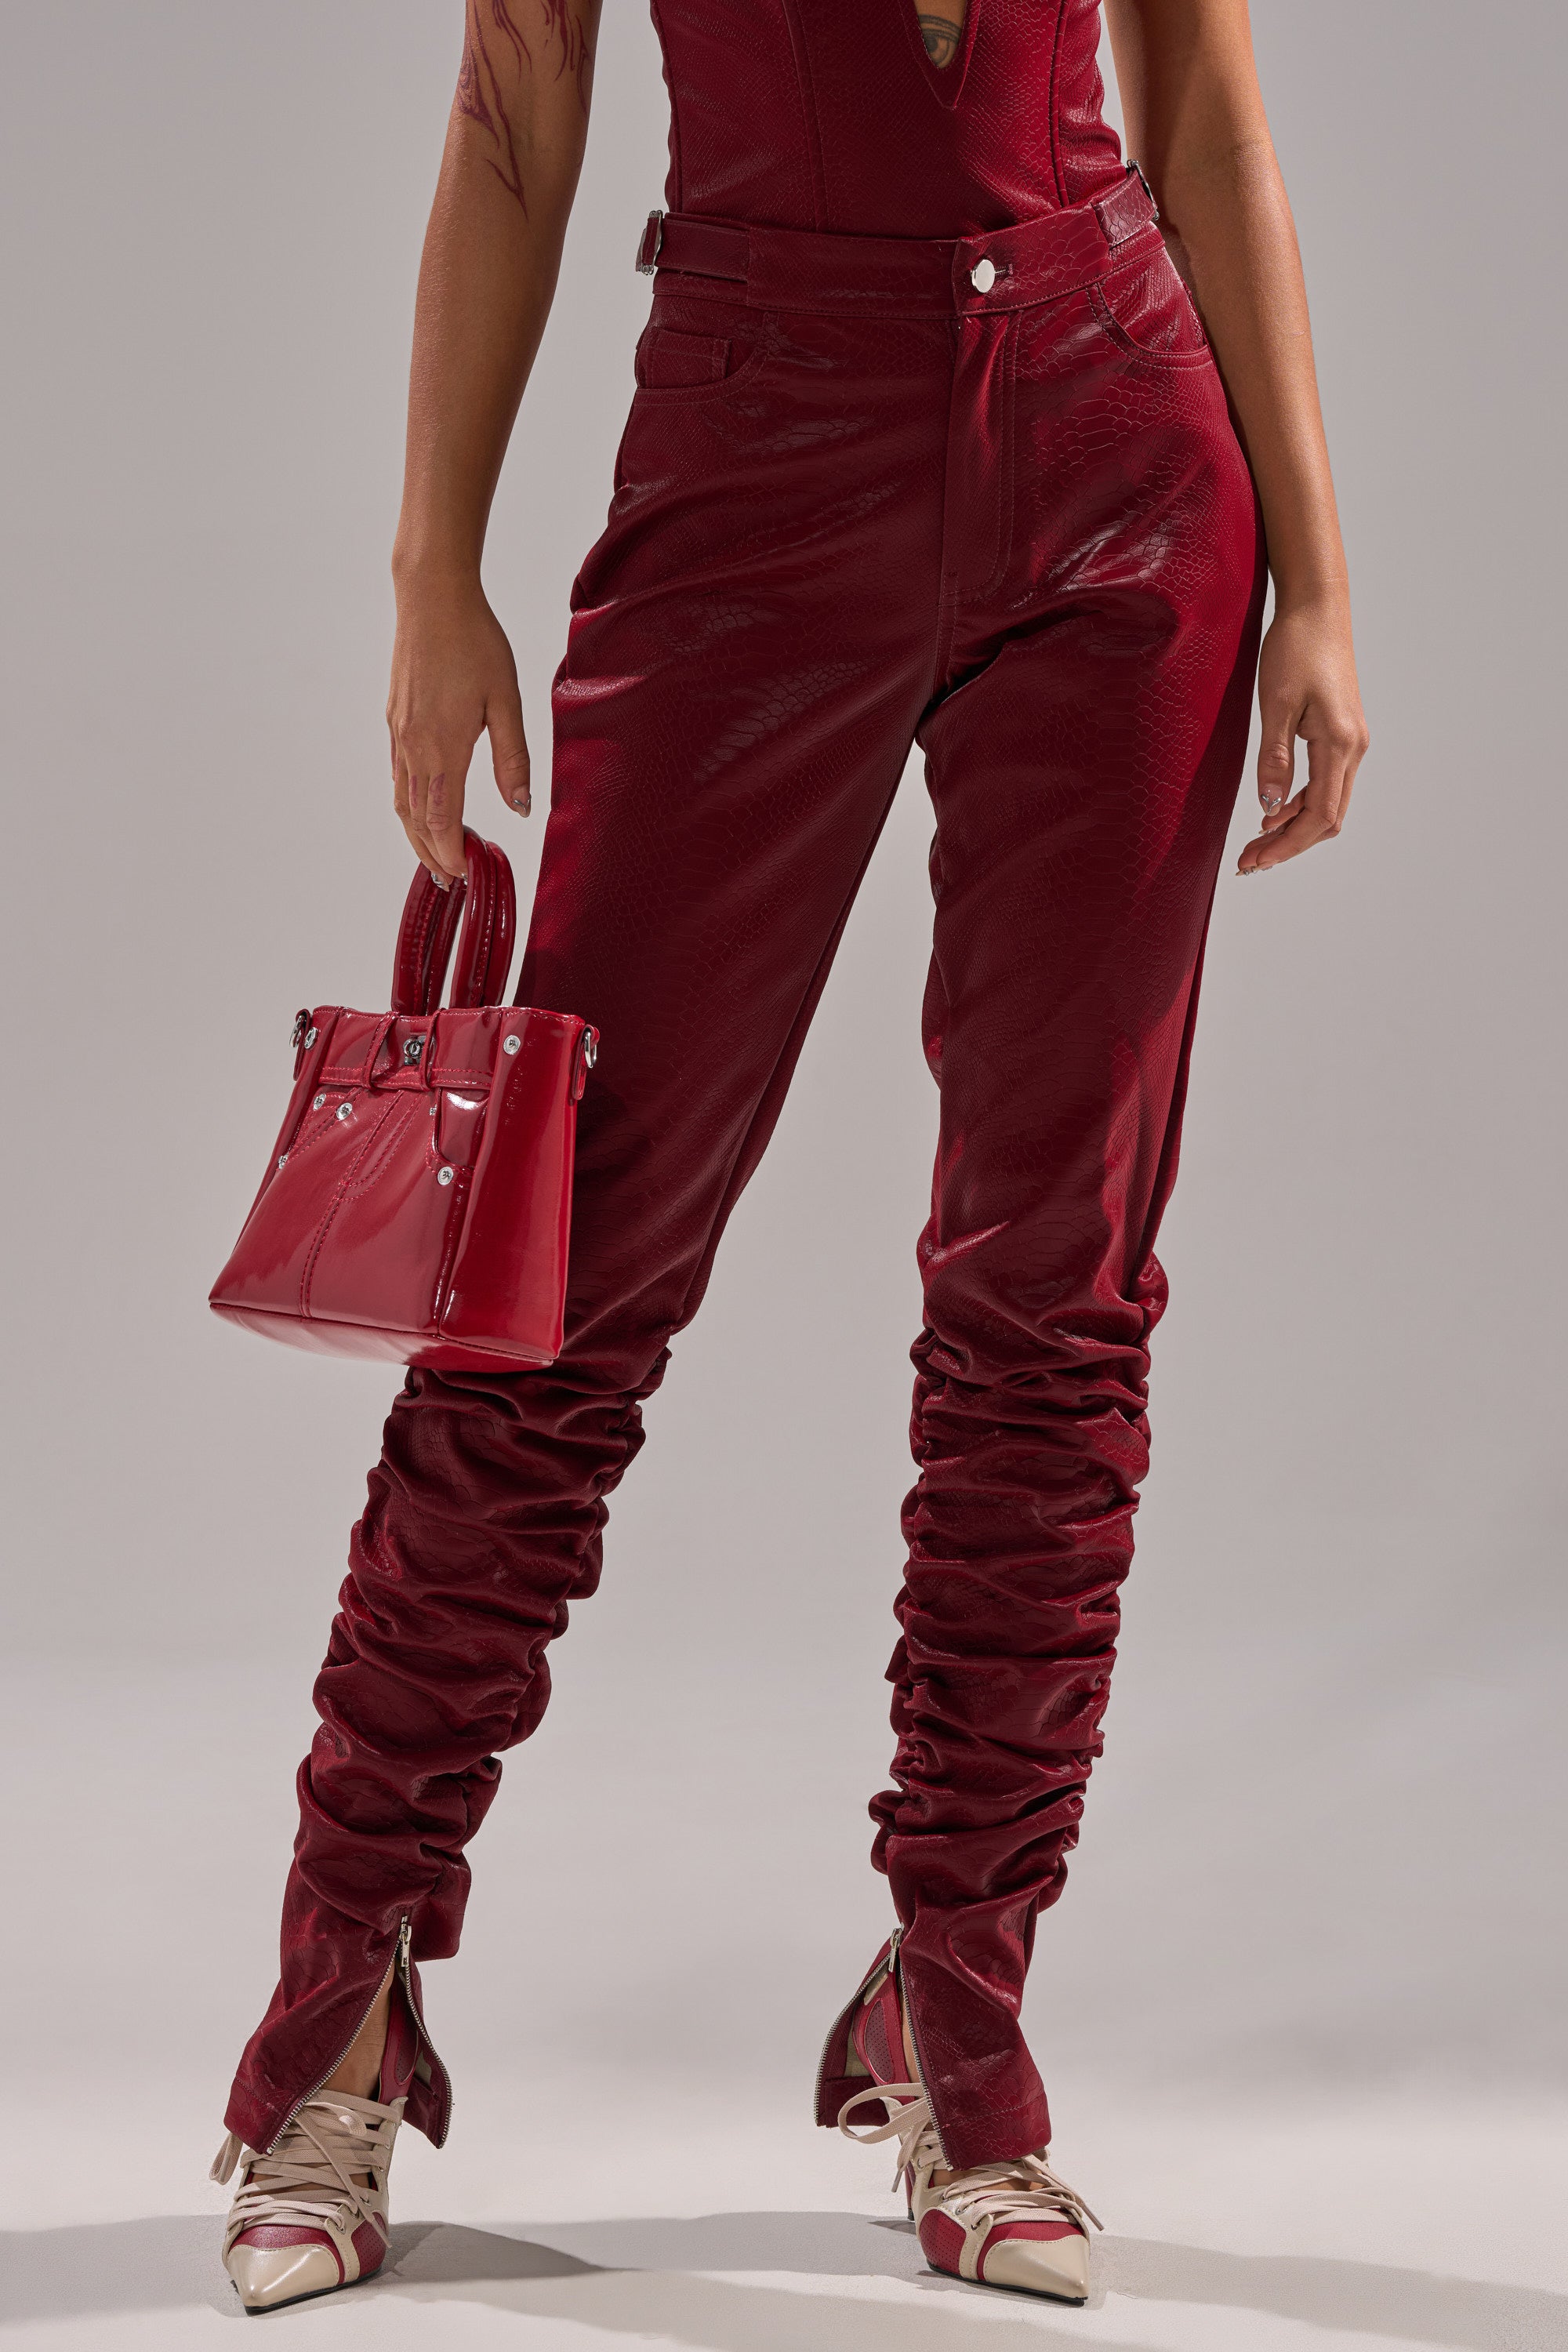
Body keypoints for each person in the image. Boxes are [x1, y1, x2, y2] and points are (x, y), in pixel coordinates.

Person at [211, 0, 1368, 2313]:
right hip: (758, 449)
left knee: (1060, 1287)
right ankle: (335, 2007)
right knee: (563, 1271)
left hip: (1130, 472)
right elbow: (518, 102)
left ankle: (965, 1999)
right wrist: (433, 575)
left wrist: (1321, 579)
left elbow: (1207, 110)